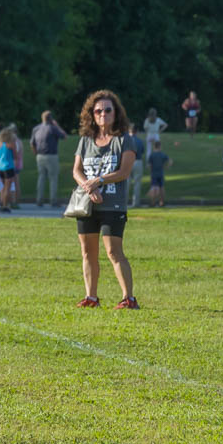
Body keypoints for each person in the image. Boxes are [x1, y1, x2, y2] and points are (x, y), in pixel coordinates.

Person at [71, 90, 138, 309]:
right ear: (92, 114)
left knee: (113, 251)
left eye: (107, 110)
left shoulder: (124, 140)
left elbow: (124, 172)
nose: (102, 114)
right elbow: (77, 170)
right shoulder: (86, 140)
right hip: (88, 204)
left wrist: (98, 181)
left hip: (113, 204)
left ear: (115, 112)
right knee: (88, 251)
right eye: (98, 110)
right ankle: (91, 297)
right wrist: (89, 188)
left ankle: (128, 298)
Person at [30, 111, 67, 206]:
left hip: (39, 156)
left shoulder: (36, 128)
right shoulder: (53, 128)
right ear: (51, 119)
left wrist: (36, 154)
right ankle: (53, 201)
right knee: (53, 178)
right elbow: (64, 136)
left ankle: (39, 200)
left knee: (41, 178)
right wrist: (57, 125)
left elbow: (32, 143)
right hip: (51, 156)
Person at [0, 127, 18, 213]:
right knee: (7, 188)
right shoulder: (11, 144)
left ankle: (2, 202)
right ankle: (4, 205)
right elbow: (15, 155)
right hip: (8, 167)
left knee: (3, 187)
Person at [146, 141, 172, 207]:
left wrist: (151, 170)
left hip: (154, 174)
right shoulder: (162, 154)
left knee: (153, 188)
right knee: (162, 188)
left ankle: (153, 203)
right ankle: (162, 202)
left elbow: (149, 165)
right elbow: (170, 161)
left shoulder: (152, 155)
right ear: (160, 146)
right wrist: (167, 167)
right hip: (161, 173)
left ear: (154, 146)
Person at [126, 123, 145, 207]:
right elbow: (142, 151)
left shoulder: (125, 140)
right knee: (137, 183)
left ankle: (124, 202)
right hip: (138, 161)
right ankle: (135, 203)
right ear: (136, 131)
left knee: (126, 183)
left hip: (127, 162)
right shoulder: (140, 141)